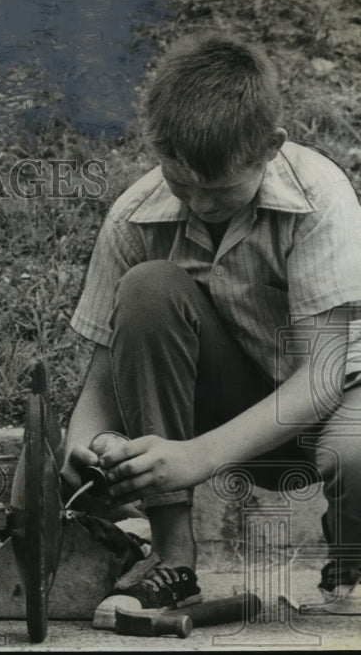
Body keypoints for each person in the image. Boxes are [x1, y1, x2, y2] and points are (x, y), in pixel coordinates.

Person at [62, 32, 361, 614]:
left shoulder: (321, 197)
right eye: (180, 185)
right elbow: (102, 379)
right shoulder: (133, 217)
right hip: (225, 417)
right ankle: (173, 559)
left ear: (270, 147)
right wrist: (84, 446)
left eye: (219, 190)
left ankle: (352, 560)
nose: (197, 205)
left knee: (356, 452)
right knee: (147, 287)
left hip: (330, 407)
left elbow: (322, 380)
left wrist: (196, 456)